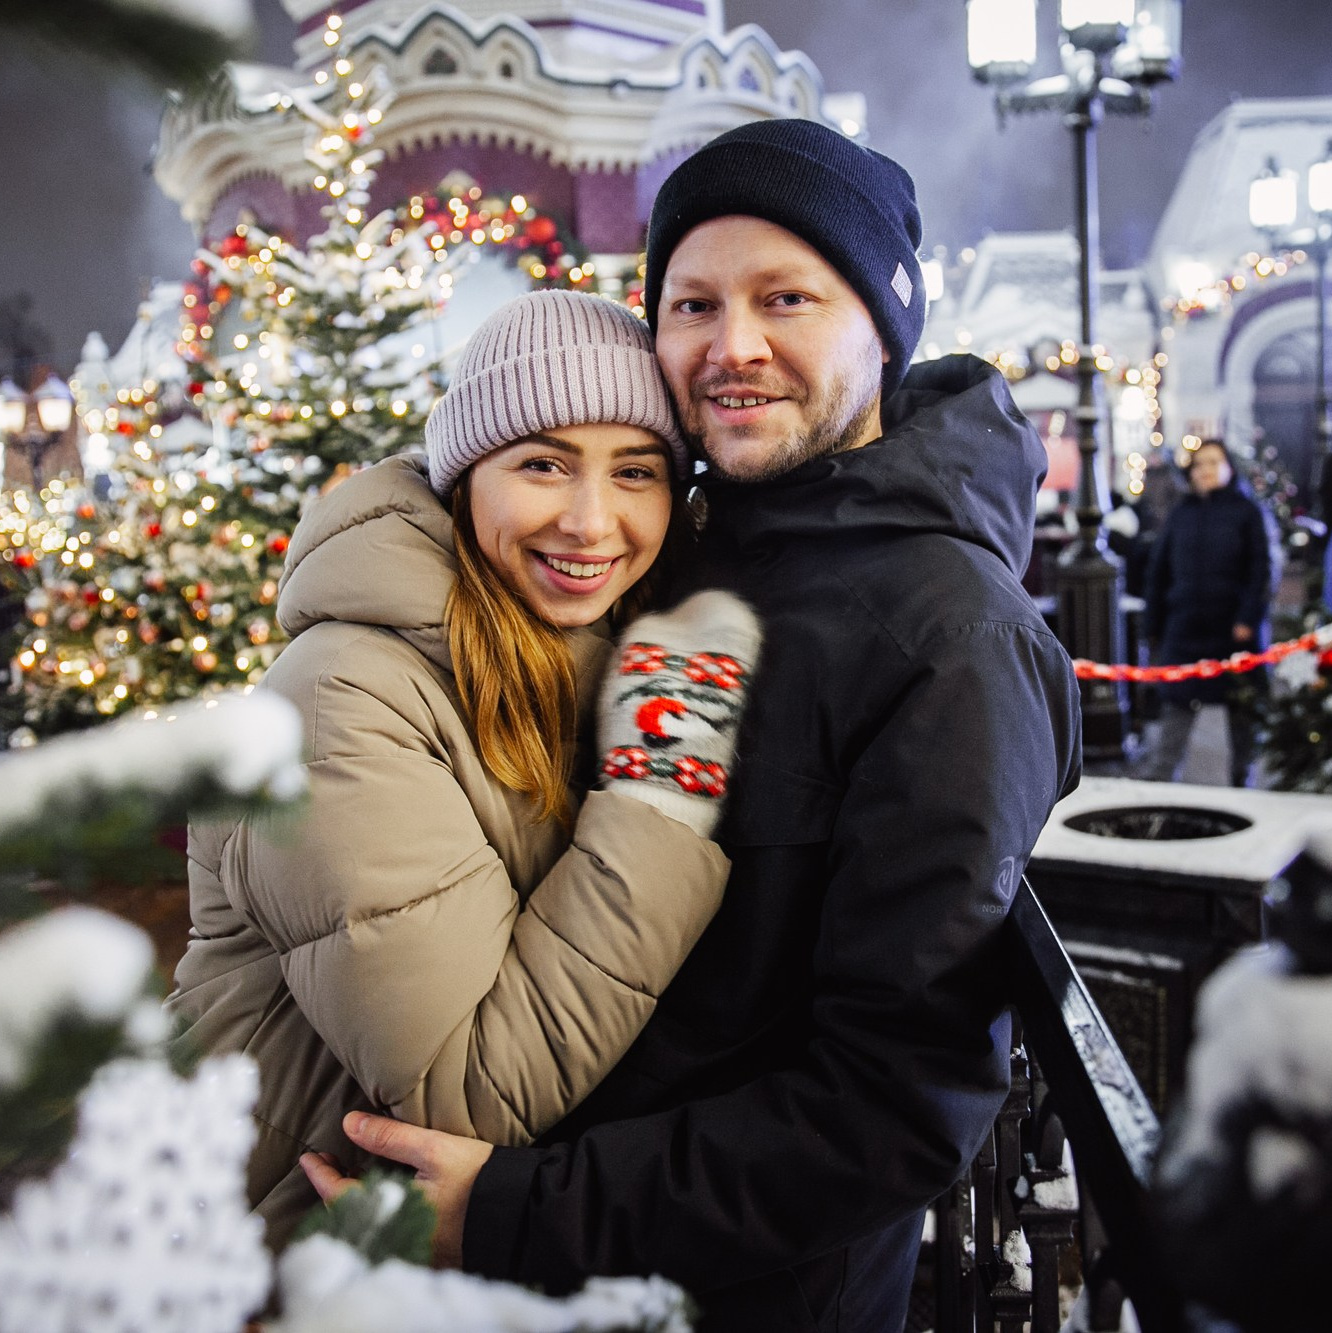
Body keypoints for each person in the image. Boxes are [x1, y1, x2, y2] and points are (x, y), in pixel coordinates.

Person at [304, 119, 1083, 1332]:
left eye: (786, 299)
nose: (734, 348)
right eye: (693, 305)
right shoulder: (682, 537)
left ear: (883, 327)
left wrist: (521, 1211)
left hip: (735, 1292)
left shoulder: (949, 639)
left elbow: (891, 1104)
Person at [166, 289, 762, 1250]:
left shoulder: (594, 652)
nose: (591, 521)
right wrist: (661, 789)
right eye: (543, 463)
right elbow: (466, 1092)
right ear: (464, 478)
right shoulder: (336, 699)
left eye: (636, 471)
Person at [1143, 437, 1274, 787]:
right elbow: (1159, 572)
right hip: (1184, 630)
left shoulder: (1247, 513)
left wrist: (1248, 618)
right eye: (1199, 464)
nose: (1206, 470)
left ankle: (1242, 786)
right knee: (1174, 718)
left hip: (1234, 634)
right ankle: (1160, 790)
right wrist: (1152, 624)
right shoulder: (1180, 514)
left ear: (1229, 468)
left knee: (1242, 718)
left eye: (1214, 462)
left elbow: (1261, 571)